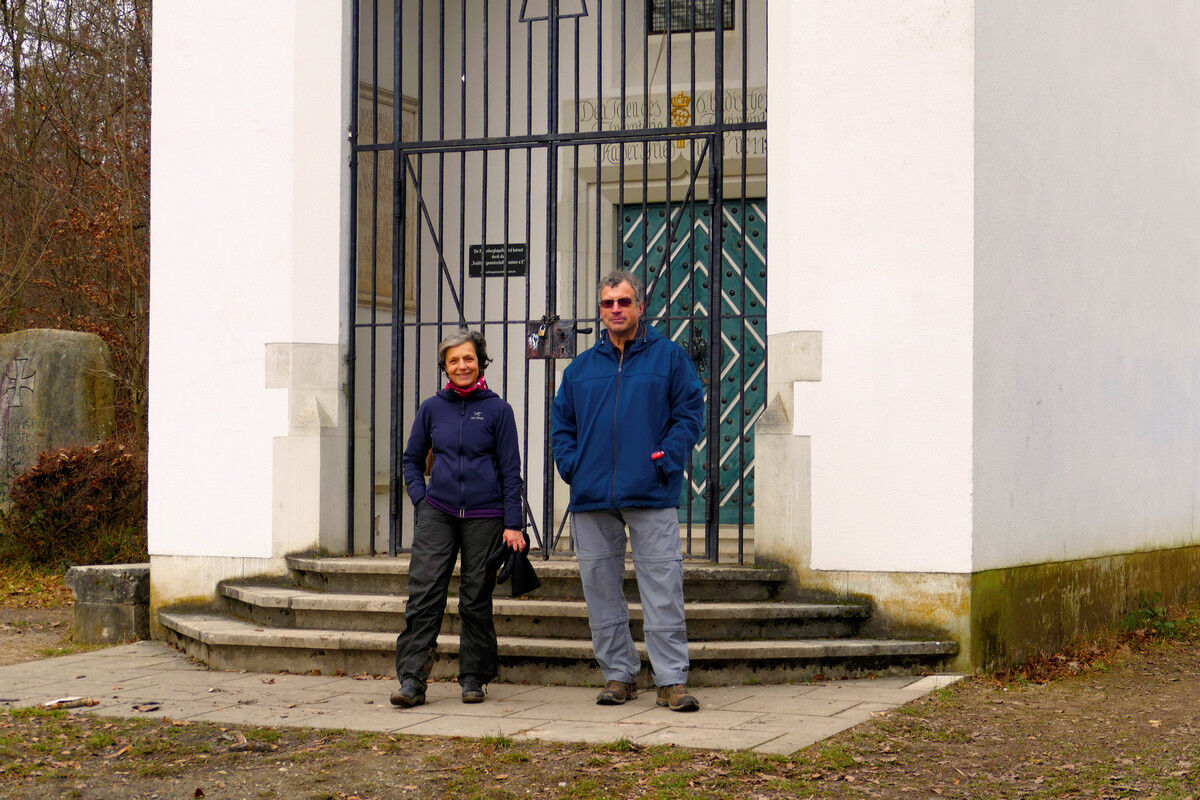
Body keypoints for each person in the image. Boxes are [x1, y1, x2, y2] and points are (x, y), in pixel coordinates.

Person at [550, 270, 705, 712]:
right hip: (592, 495)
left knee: (662, 588)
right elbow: (562, 424)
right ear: (600, 311)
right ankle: (619, 675)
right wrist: (572, 466)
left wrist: (666, 459)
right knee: (600, 589)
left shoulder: (670, 358)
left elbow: (690, 413)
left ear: (639, 306)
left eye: (623, 301)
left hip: (651, 491)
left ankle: (671, 681)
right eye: (607, 303)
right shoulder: (581, 368)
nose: (615, 309)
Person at [391, 330, 526, 708]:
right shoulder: (432, 408)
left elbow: (511, 470)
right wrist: (422, 500)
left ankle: (473, 677)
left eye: (468, 358)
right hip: (439, 513)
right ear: (445, 366)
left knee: (476, 598)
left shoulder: (498, 410)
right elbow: (411, 460)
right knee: (424, 595)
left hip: (487, 516)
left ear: (480, 361)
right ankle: (412, 680)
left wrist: (513, 523)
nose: (462, 366)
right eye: (454, 360)